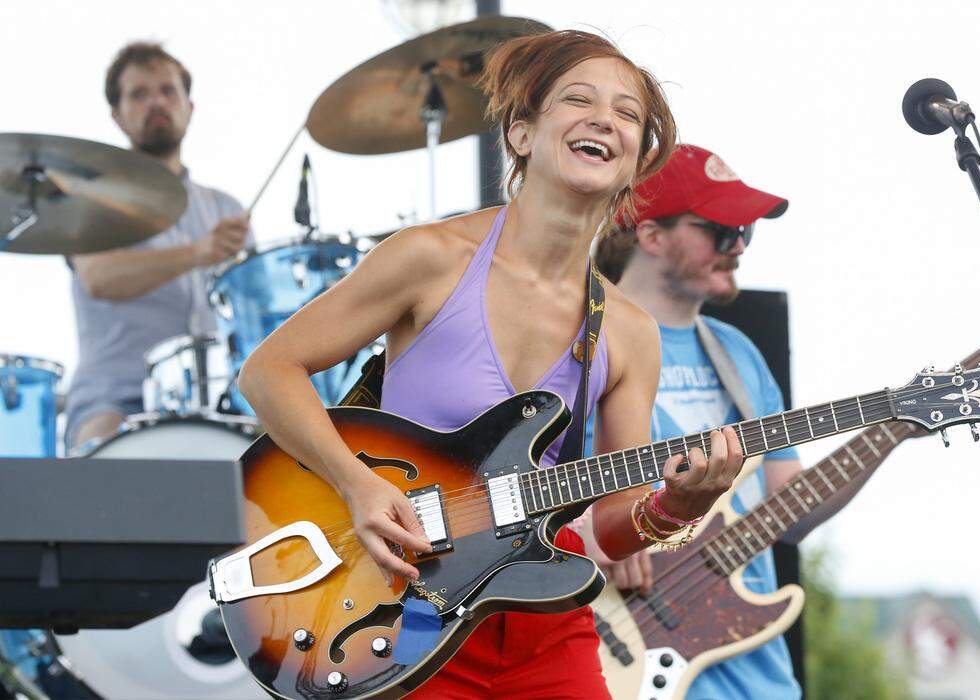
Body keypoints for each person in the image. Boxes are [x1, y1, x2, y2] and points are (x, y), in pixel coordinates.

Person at [236, 31, 744, 698]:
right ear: (522, 133)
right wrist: (358, 486)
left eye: (627, 115)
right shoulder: (429, 258)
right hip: (402, 608)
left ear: (634, 166)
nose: (604, 120)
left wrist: (682, 507)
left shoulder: (629, 331)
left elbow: (618, 532)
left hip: (544, 625)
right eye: (578, 100)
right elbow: (268, 371)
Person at [588, 143, 882, 699]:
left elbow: (789, 508)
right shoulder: (583, 343)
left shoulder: (738, 353)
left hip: (755, 671)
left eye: (747, 232)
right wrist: (595, 538)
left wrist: (890, 430)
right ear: (651, 236)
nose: (740, 246)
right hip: (614, 658)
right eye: (721, 232)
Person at [65, 41, 250, 450]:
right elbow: (100, 278)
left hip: (224, 401)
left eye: (168, 90)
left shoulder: (226, 209)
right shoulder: (93, 200)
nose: (157, 102)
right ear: (117, 115)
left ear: (190, 106)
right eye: (140, 93)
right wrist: (197, 253)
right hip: (115, 396)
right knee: (102, 461)